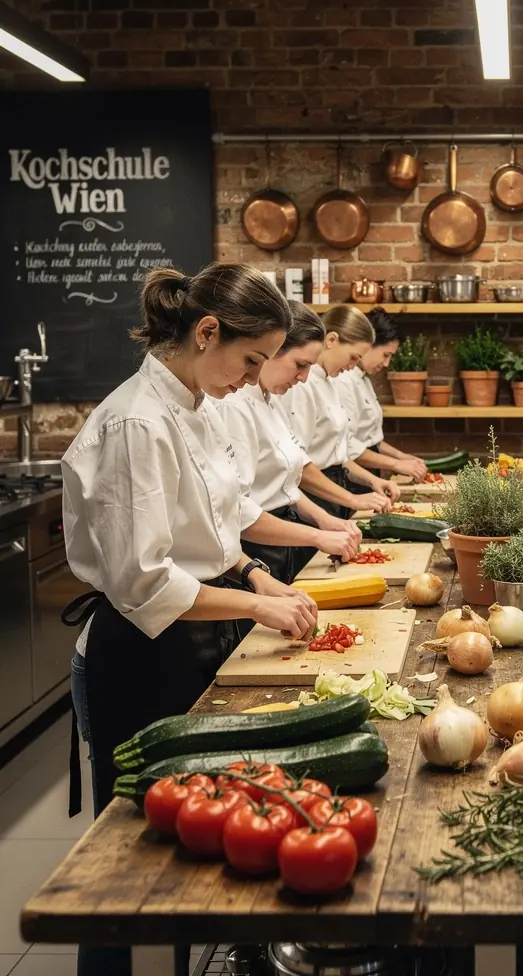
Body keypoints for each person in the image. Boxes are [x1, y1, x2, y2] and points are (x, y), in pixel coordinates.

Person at [62, 264, 320, 976]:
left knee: (197, 834)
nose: (251, 377)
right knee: (129, 866)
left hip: (191, 639)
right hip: (136, 656)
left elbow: (219, 524)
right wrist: (259, 603)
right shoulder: (136, 422)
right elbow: (145, 580)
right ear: (207, 332)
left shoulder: (196, 406)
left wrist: (256, 572)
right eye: (251, 360)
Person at [215, 302, 390, 584]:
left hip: (283, 536)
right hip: (256, 548)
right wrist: (320, 530)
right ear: (271, 351)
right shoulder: (234, 406)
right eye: (300, 365)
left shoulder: (268, 399)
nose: (304, 377)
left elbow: (286, 485)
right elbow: (239, 510)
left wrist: (324, 519)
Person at [279, 303, 399, 519]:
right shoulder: (301, 385)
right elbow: (300, 465)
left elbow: (337, 455)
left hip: (333, 491)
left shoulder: (328, 380)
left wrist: (373, 481)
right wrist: (352, 499)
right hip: (314, 496)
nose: (353, 366)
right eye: (353, 357)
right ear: (332, 340)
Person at [335, 307, 428, 490]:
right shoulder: (344, 380)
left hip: (369, 473)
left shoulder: (363, 379)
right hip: (352, 476)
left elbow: (371, 439)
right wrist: (396, 464)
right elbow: (348, 444)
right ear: (369, 344)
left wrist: (403, 458)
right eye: (386, 355)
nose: (386, 364)